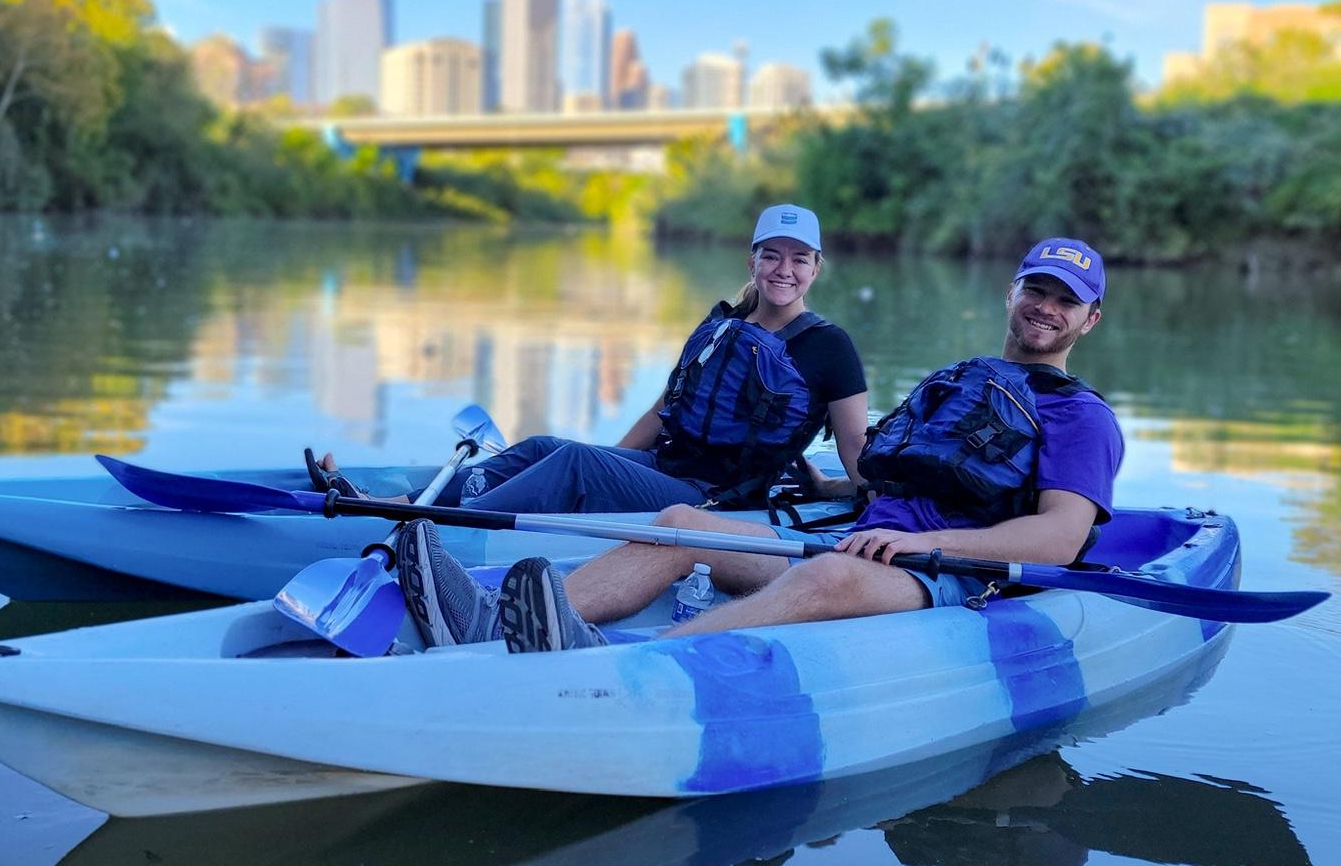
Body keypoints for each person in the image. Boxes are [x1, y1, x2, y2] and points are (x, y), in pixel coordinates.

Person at [394, 236, 1123, 652]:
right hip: (865, 539)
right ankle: (493, 629)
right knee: (679, 526)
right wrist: (833, 488)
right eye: (1038, 289)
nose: (1045, 308)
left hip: (947, 575)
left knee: (826, 581)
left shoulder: (1081, 417)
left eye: (1065, 300)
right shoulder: (966, 379)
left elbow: (1059, 538)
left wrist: (918, 549)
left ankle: (630, 664)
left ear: (1088, 321)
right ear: (1012, 291)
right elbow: (899, 476)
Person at [322, 203, 867, 528]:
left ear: (817, 267)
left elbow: (856, 453)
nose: (784, 269)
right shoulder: (726, 324)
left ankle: (439, 527)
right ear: (751, 259)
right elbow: (664, 409)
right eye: (771, 254)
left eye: (799, 258)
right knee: (542, 448)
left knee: (575, 464)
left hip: (720, 500)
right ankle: (398, 505)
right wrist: (617, 473)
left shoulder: (831, 348)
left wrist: (846, 492)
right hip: (668, 469)